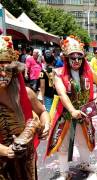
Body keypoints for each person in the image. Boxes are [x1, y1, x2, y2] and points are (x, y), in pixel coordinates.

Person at [45, 36, 97, 180]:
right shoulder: (58, 74)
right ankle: (64, 173)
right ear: (66, 58)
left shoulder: (88, 72)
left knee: (84, 141)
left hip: (83, 115)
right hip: (65, 116)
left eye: (79, 57)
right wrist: (72, 110)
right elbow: (62, 94)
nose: (76, 60)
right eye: (73, 57)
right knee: (63, 145)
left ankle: (85, 164)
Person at [0, 36, 50, 180]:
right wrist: (2, 150)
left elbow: (42, 112)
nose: (3, 74)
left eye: (7, 69)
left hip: (25, 161)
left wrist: (46, 124)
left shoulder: (26, 93)